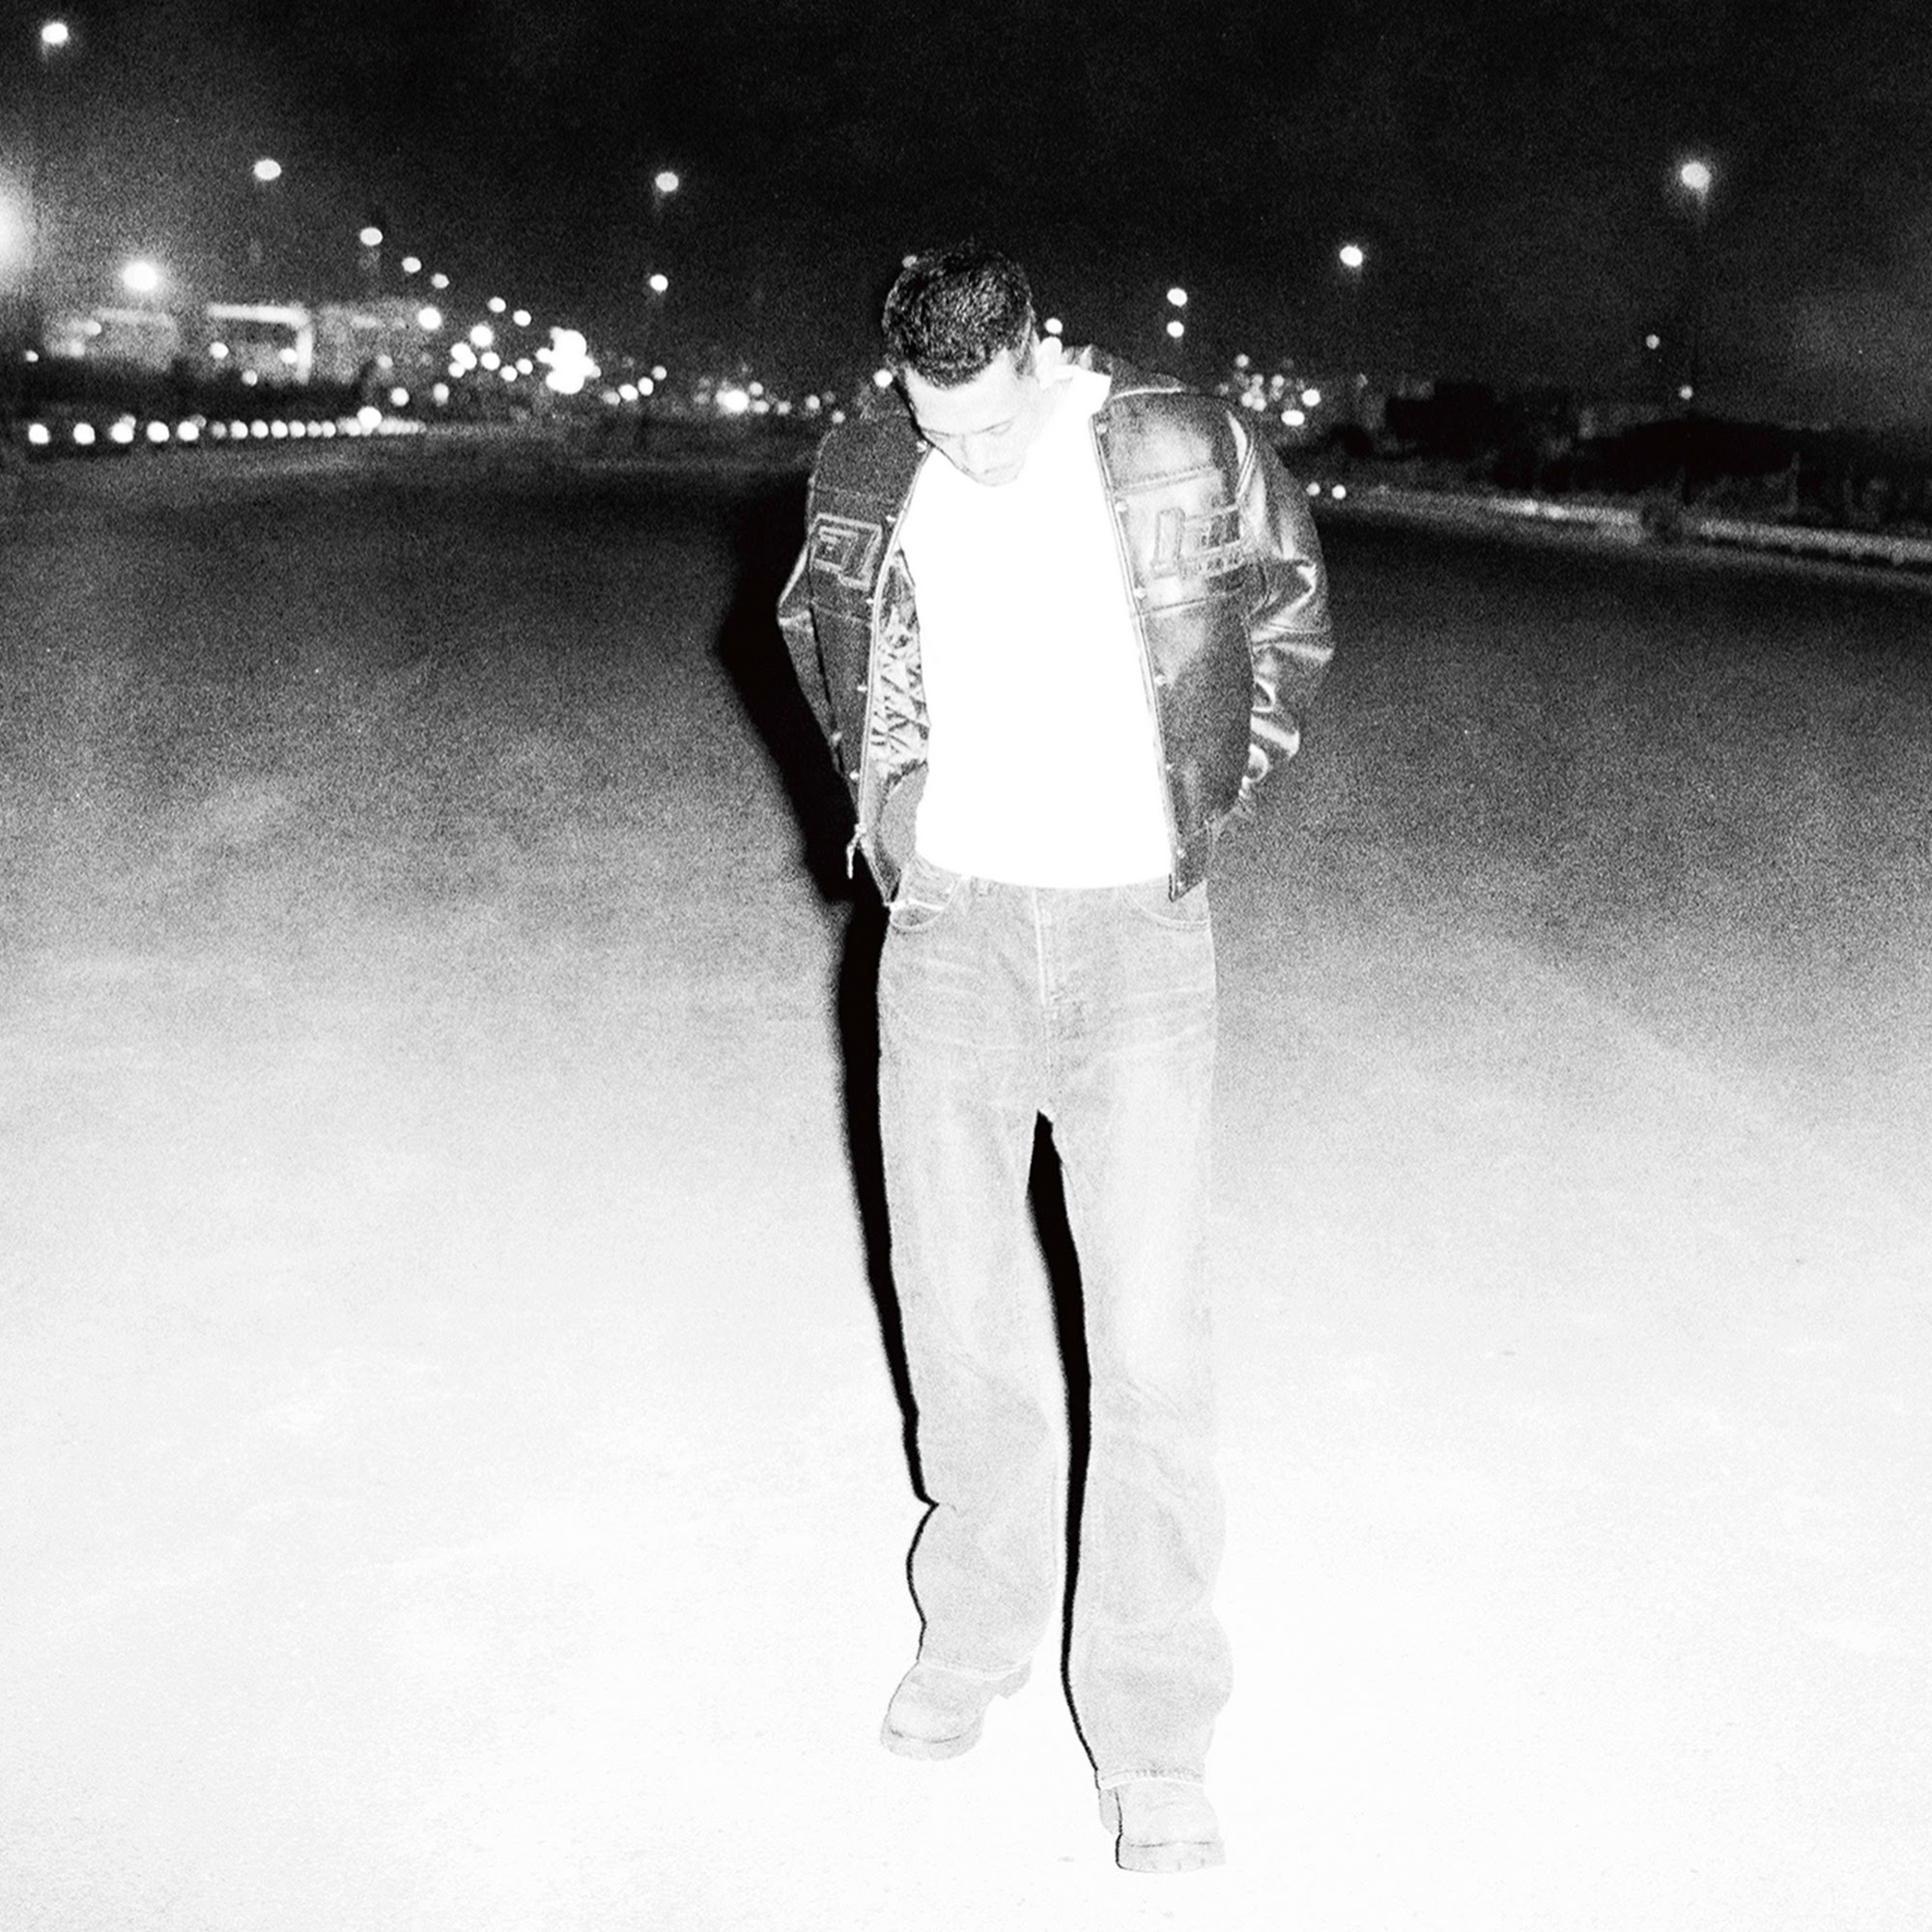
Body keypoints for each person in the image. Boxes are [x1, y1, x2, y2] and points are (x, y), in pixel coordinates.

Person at [777, 243, 1335, 1874]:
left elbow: (1290, 616)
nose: (965, 453)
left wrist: (1202, 799)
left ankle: (1155, 1731)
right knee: (954, 1311)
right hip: (951, 929)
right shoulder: (873, 460)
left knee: (1150, 1341)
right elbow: (817, 620)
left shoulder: (1179, 447)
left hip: (1135, 940)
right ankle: (972, 1632)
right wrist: (890, 808)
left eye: (991, 422)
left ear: (1041, 355)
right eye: (935, 424)